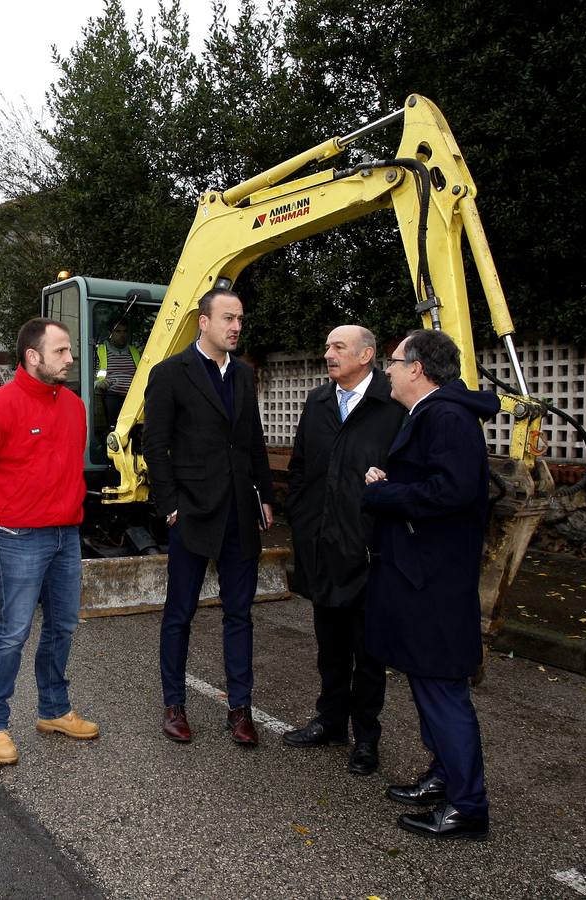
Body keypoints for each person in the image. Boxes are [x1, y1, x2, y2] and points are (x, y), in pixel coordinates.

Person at [361, 328, 498, 841]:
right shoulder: (430, 413)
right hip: (419, 576)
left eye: (394, 362)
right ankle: (443, 776)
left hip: (435, 581)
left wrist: (386, 493)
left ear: (417, 368)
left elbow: (454, 490)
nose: (388, 370)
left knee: (442, 690)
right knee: (426, 683)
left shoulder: (446, 416)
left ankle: (468, 805)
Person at [0, 317, 98, 766]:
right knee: (12, 632)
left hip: (66, 535)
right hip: (17, 537)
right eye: (61, 351)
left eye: (69, 350)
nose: (70, 358)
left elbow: (72, 465)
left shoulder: (74, 406)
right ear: (32, 356)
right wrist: (4, 517)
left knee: (63, 627)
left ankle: (53, 710)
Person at [144, 287, 275, 746]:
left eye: (240, 318)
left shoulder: (242, 374)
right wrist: (170, 506)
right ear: (203, 322)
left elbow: (253, 439)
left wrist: (265, 495)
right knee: (179, 613)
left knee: (239, 614)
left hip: (240, 510)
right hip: (193, 512)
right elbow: (154, 445)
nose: (236, 326)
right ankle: (174, 704)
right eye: (227, 318)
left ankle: (240, 710)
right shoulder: (170, 374)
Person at [283, 325, 405, 777]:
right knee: (330, 646)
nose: (328, 354)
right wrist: (301, 518)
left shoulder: (391, 406)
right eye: (328, 345)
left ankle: (366, 738)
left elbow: (406, 475)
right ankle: (330, 722)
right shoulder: (317, 403)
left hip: (369, 553)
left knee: (368, 654)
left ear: (367, 355)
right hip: (321, 546)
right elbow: (301, 467)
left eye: (338, 347)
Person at [94, 319, 141, 430]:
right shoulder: (100, 351)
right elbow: (90, 376)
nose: (122, 335)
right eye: (118, 331)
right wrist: (98, 383)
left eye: (125, 331)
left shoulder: (134, 351)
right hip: (112, 393)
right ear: (111, 334)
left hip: (134, 396)